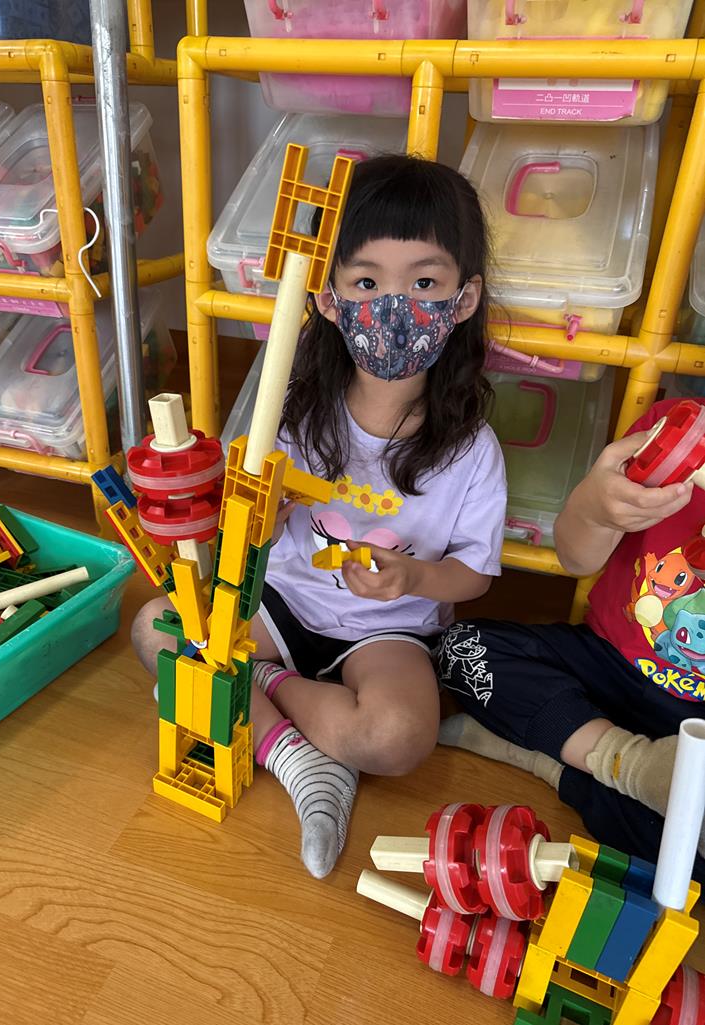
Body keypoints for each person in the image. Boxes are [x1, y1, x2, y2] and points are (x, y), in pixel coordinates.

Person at [132, 154, 507, 879]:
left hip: (385, 631)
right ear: (329, 300)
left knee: (397, 737)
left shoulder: (470, 448)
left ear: (463, 300)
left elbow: (474, 574)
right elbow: (244, 522)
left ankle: (252, 692)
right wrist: (255, 520)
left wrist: (414, 578)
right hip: (280, 602)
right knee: (156, 628)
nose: (393, 306)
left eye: (423, 283)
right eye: (366, 283)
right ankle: (300, 759)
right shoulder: (294, 410)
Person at [436, 397, 705, 880]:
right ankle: (631, 766)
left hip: (695, 724)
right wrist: (597, 510)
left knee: (688, 857)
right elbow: (576, 559)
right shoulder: (676, 430)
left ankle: (555, 761)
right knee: (460, 650)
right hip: (605, 664)